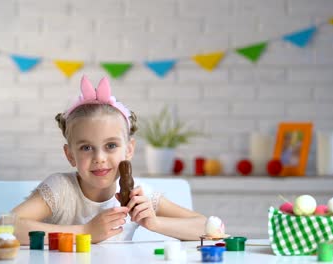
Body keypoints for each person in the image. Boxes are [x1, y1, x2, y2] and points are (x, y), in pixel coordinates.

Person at [12, 75, 207, 244]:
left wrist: (155, 222)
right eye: (86, 148)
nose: (99, 158)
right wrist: (85, 232)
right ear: (70, 155)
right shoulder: (61, 189)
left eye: (111, 146)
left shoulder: (139, 196)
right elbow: (7, 225)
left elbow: (208, 228)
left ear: (129, 149)